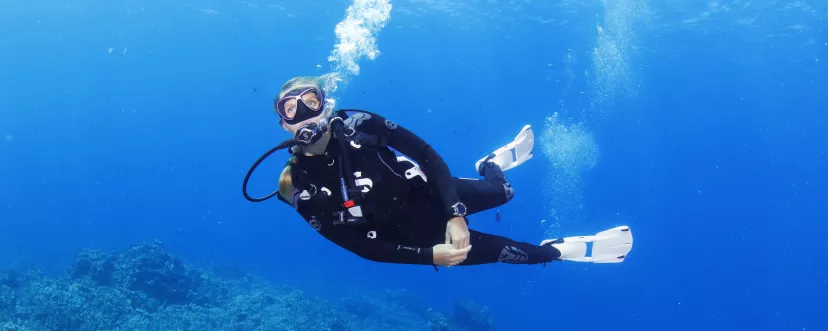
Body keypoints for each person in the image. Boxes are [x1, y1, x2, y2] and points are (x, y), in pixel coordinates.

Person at [242, 75, 633, 267]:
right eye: (290, 110)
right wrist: (430, 255)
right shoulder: (294, 184)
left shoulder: (360, 122)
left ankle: (491, 164)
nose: (304, 115)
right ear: (282, 125)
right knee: (514, 254)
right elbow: (358, 246)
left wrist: (456, 214)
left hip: (428, 193)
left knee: (504, 193)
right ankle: (561, 250)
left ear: (326, 105)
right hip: (410, 235)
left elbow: (426, 155)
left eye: (311, 102)